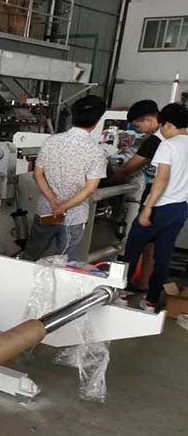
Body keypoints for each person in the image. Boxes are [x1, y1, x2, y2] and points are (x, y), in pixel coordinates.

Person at [22, 95, 108, 261]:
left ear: (73, 116)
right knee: (63, 262)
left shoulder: (51, 142)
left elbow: (37, 174)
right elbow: (90, 188)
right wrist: (63, 206)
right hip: (73, 217)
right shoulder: (96, 152)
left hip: (47, 211)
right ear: (97, 121)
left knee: (32, 254)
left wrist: (53, 201)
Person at [122, 102, 188, 313]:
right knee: (163, 256)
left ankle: (121, 296)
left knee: (132, 251)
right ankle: (151, 303)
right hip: (180, 208)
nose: (161, 131)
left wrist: (148, 208)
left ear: (167, 124)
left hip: (160, 207)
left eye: (162, 126)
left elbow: (161, 179)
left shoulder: (168, 145)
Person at [106, 100, 162, 289]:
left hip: (155, 194)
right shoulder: (177, 136)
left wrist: (108, 182)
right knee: (152, 243)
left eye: (138, 126)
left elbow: (129, 168)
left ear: (149, 119)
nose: (139, 131)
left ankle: (122, 283)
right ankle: (143, 282)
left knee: (136, 241)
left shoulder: (155, 140)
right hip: (175, 198)